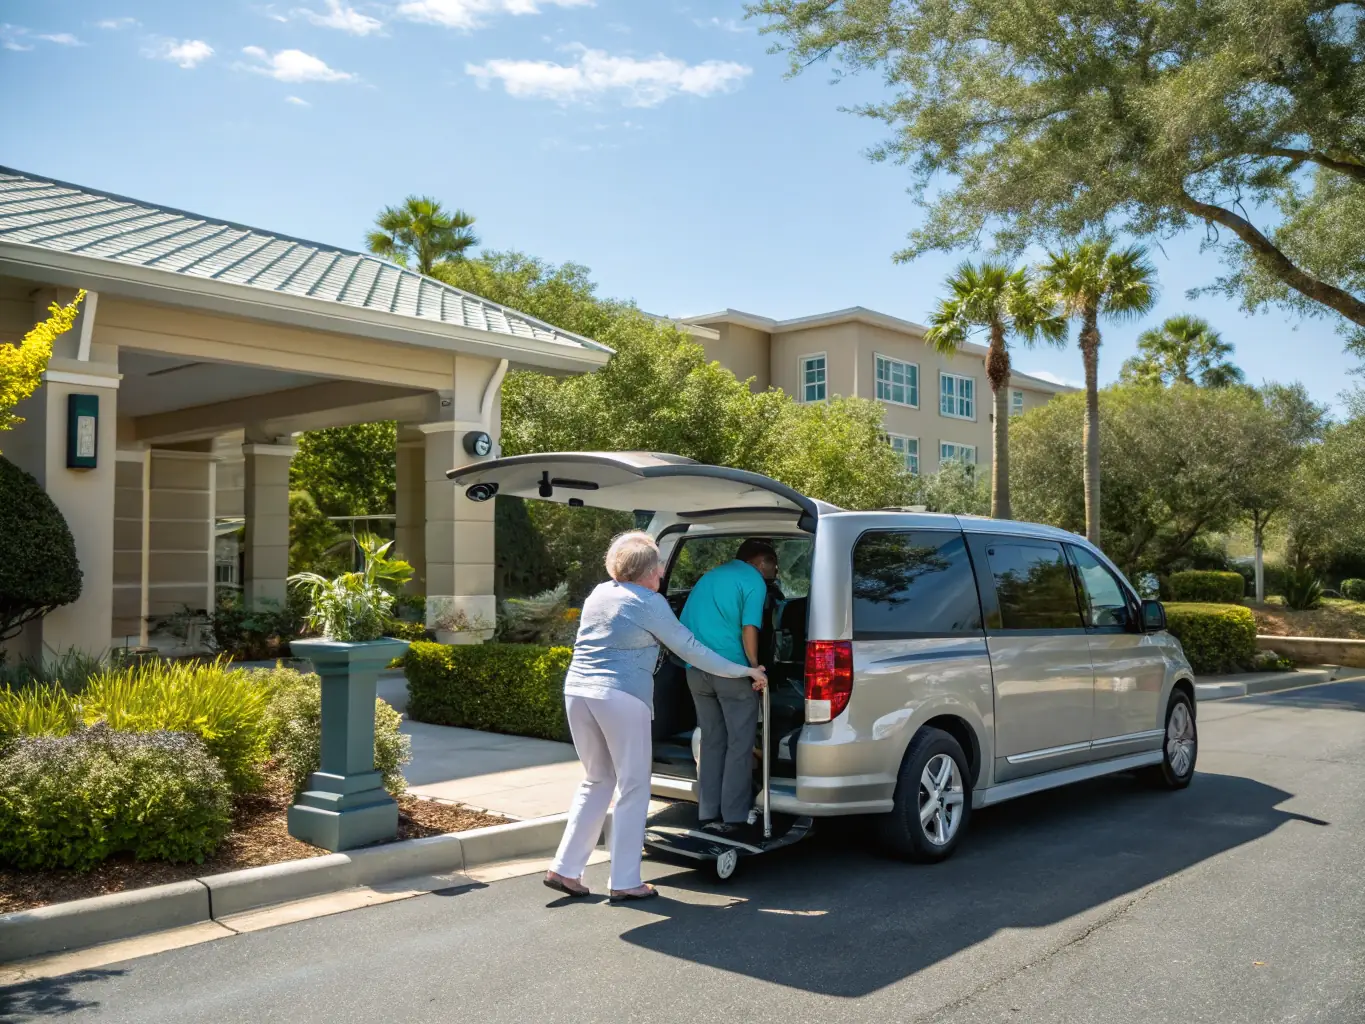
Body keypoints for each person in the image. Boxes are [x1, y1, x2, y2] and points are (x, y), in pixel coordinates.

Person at [544, 531, 767, 903]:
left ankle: (565, 869)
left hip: (579, 691)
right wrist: (743, 671)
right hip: (621, 696)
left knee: (597, 780)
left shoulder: (599, 593)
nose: (663, 571)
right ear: (647, 571)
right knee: (634, 786)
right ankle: (625, 880)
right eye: (659, 565)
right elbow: (692, 649)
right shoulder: (649, 601)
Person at [679, 539, 779, 835]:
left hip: (696, 671)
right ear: (761, 562)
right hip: (732, 672)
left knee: (711, 741)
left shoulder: (708, 578)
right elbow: (750, 627)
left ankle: (707, 812)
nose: (776, 570)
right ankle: (734, 817)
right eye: (774, 563)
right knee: (740, 743)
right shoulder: (754, 581)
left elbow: (683, 625)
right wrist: (754, 666)